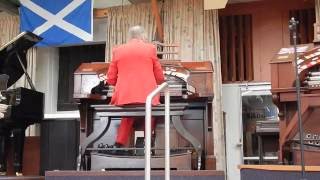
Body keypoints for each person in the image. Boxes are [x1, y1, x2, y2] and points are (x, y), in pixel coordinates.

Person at [106, 25, 165, 153]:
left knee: (128, 113)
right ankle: (147, 142)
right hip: (147, 96)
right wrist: (159, 81)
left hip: (125, 96)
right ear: (143, 35)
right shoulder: (150, 49)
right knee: (150, 112)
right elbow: (159, 77)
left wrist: (122, 84)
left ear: (130, 36)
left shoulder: (118, 50)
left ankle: (119, 144)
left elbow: (110, 79)